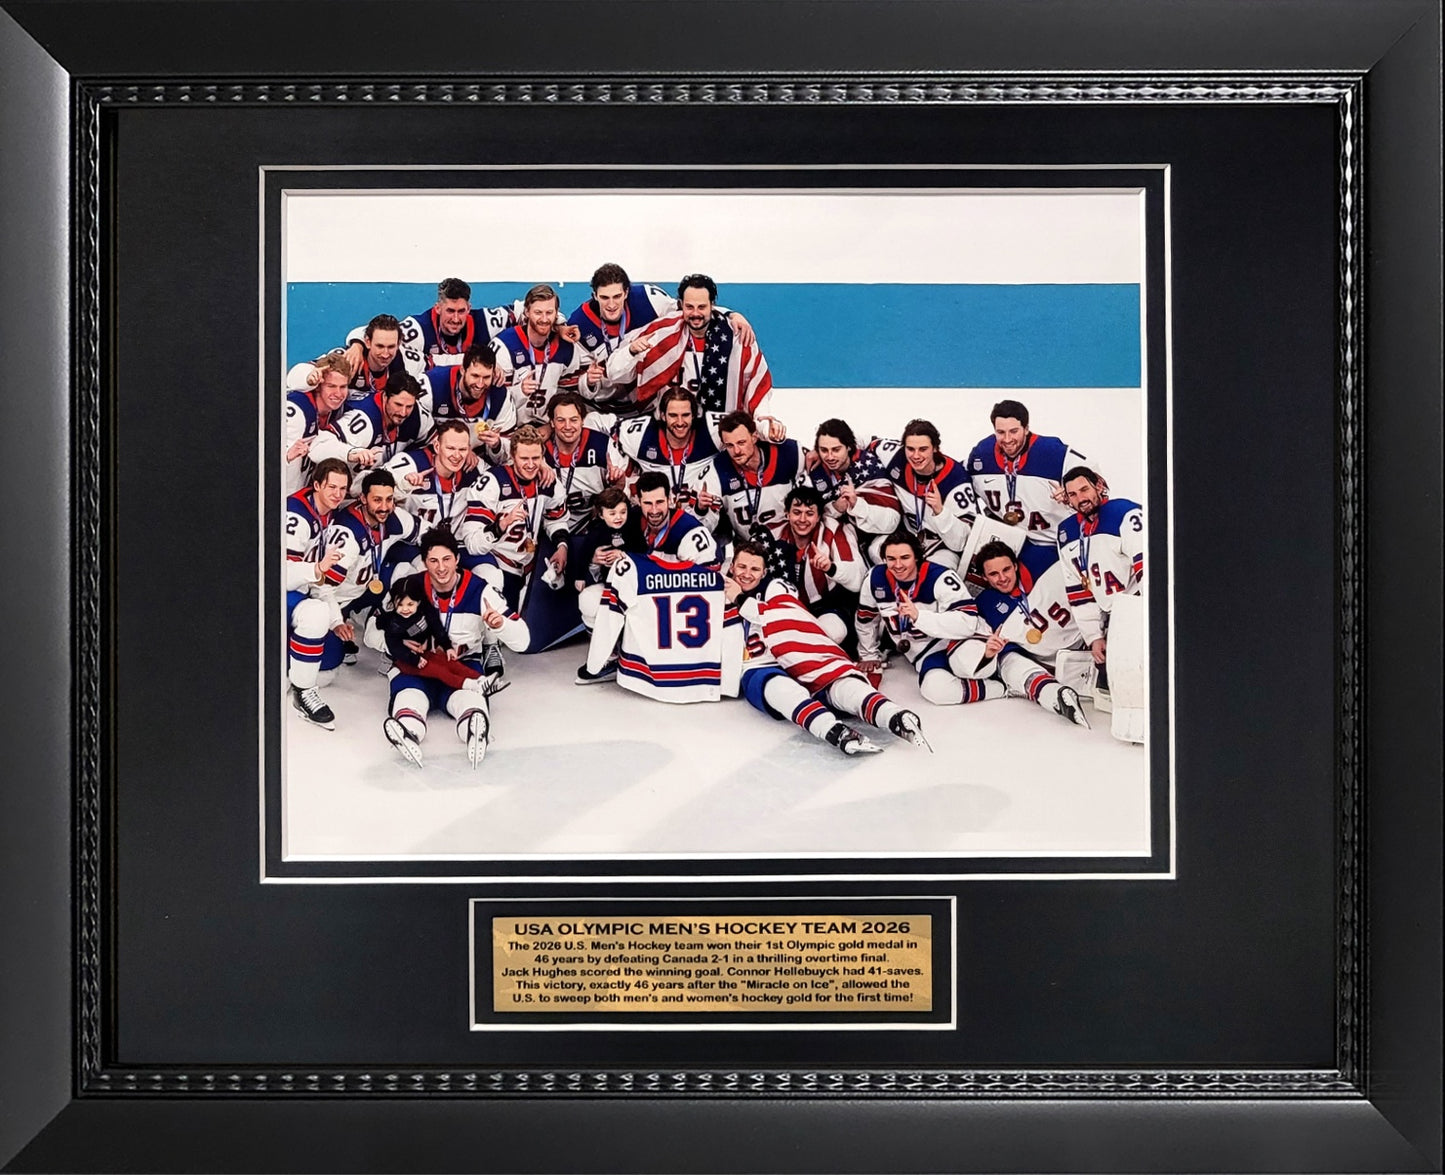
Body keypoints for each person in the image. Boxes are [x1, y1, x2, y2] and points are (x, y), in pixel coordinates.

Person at [724, 542, 929, 754]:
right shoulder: (715, 590)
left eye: (755, 569)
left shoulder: (776, 586)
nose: (747, 574)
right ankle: (831, 729)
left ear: (764, 571)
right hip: (757, 664)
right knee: (779, 688)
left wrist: (738, 598)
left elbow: (778, 613)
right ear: (732, 567)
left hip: (795, 654)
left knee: (840, 683)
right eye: (742, 567)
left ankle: (893, 715)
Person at [368, 529, 529, 768]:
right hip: (417, 666)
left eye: (446, 559)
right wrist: (395, 642)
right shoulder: (409, 587)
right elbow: (371, 630)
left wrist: (501, 624)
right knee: (408, 697)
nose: (441, 568)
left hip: (461, 663)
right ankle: (408, 730)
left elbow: (523, 641)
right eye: (433, 561)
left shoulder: (480, 590)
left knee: (469, 699)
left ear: (457, 559)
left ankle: (473, 729)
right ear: (424, 562)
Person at [569, 263, 755, 409]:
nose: (611, 304)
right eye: (604, 298)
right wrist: (589, 381)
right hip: (602, 406)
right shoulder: (579, 324)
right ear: (594, 295)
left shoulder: (649, 299)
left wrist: (730, 314)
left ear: (626, 292)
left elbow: (691, 309)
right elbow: (581, 386)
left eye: (617, 296)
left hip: (645, 402)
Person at [855, 530, 1007, 708]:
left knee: (966, 665)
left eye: (905, 558)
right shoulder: (875, 579)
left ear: (917, 557)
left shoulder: (940, 577)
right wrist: (868, 653)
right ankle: (1002, 688)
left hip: (959, 641)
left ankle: (1003, 671)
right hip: (926, 653)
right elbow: (866, 618)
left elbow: (968, 622)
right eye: (891, 559)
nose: (897, 565)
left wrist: (919, 617)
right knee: (935, 690)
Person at [614, 273, 779, 430]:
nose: (695, 313)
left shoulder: (737, 337)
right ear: (681, 305)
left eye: (702, 307)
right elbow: (615, 372)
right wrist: (630, 352)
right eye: (689, 307)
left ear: (712, 305)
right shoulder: (660, 332)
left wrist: (764, 424)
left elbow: (758, 385)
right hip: (671, 434)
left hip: (722, 436)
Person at [578, 550, 731, 699]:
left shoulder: (630, 569)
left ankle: (607, 660)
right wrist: (730, 683)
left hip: (644, 678)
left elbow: (610, 619)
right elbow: (733, 631)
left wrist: (593, 664)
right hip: (702, 679)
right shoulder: (720, 581)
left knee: (595, 603)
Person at [971, 540, 1091, 728]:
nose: (1002, 578)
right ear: (985, 578)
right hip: (1054, 664)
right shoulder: (984, 604)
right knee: (1006, 659)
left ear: (1016, 566)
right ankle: (1052, 694)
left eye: (1006, 569)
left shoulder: (1043, 559)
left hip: (1090, 639)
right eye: (993, 574)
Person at [458, 424, 569, 613]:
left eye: (536, 458)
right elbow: (473, 544)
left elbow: (556, 518)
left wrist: (562, 546)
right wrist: (501, 525)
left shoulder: (548, 481)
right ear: (512, 455)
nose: (531, 464)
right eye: (524, 458)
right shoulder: (492, 482)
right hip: (498, 562)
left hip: (528, 565)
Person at [318, 469, 423, 664]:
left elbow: (427, 534)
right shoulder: (347, 535)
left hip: (368, 587)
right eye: (377, 500)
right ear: (363, 499)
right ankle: (350, 620)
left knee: (418, 565)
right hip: (338, 599)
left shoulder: (393, 517)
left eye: (389, 499)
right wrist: (336, 622)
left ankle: (390, 641)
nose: (384, 507)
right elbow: (322, 588)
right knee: (329, 661)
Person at [1055, 465, 1144, 687]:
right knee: (1111, 685)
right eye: (1073, 494)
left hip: (1139, 607)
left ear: (1099, 486)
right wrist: (1094, 636)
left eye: (1084, 489)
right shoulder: (1066, 533)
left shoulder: (1124, 512)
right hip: (1112, 619)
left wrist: (1153, 615)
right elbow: (1078, 592)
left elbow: (1150, 566)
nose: (1080, 498)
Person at [966, 398, 1091, 552]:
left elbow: (1098, 487)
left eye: (1013, 431)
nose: (1007, 439)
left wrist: (1072, 494)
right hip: (1012, 542)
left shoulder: (1053, 453)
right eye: (1000, 432)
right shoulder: (982, 454)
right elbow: (958, 479)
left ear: (1026, 429)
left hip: (1056, 543)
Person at [284, 458, 353, 729]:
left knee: (332, 657)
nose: (337, 494)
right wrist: (317, 568)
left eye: (342, 488)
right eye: (331, 487)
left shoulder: (328, 514)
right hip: (266, 595)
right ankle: (303, 692)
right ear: (316, 485)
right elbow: (280, 575)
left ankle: (292, 673)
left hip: (296, 592)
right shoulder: (296, 515)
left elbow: (319, 580)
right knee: (315, 612)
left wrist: (336, 621)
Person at [758, 485, 865, 648]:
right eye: (796, 512)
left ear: (819, 516)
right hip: (785, 607)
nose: (802, 519)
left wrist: (831, 567)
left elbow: (858, 578)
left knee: (831, 633)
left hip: (828, 606)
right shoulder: (771, 534)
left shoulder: (833, 530)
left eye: (809, 513)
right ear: (786, 513)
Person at [344, 277, 515, 374]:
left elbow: (526, 309)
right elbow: (377, 333)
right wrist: (357, 346)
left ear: (469, 308)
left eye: (461, 311)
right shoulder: (418, 329)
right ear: (438, 308)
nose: (456, 318)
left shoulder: (485, 320)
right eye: (450, 311)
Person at [873, 419, 979, 571]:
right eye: (910, 449)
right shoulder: (894, 455)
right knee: (876, 550)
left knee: (936, 572)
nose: (915, 456)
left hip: (941, 546)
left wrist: (940, 511)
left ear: (935, 448)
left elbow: (961, 542)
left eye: (923, 449)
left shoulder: (956, 481)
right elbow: (864, 441)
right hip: (906, 538)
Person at [608, 386, 725, 512]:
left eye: (685, 415)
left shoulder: (713, 432)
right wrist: (622, 474)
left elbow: (742, 430)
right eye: (673, 415)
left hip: (700, 515)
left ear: (694, 415)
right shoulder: (642, 435)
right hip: (655, 514)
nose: (680, 422)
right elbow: (611, 431)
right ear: (663, 416)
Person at [696, 410, 809, 539]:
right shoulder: (716, 470)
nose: (736, 451)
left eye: (741, 443)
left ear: (754, 437)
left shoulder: (790, 453)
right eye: (729, 445)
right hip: (746, 550)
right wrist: (701, 509)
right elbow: (702, 527)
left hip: (788, 545)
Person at [490, 283, 584, 428]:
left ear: (557, 313)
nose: (544, 319)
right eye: (538, 312)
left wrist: (551, 426)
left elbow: (570, 395)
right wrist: (519, 390)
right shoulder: (504, 346)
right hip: (509, 429)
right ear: (527, 312)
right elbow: (490, 398)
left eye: (549, 313)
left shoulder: (566, 347)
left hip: (548, 428)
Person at [309, 373, 432, 479]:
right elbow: (317, 446)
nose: (403, 412)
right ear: (385, 397)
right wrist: (351, 453)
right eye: (398, 405)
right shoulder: (365, 421)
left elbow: (435, 445)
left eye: (409, 406)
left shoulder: (417, 416)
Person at [376, 573, 484, 691]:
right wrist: (414, 659)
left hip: (426, 653)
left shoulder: (425, 610)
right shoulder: (394, 624)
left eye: (410, 604)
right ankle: (472, 686)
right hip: (406, 661)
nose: (405, 609)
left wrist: (447, 647)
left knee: (450, 663)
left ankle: (482, 680)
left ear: (419, 602)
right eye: (400, 604)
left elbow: (436, 627)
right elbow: (395, 647)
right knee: (440, 671)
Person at [542, 391, 627, 536]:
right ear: (552, 422)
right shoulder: (540, 450)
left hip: (593, 524)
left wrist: (618, 483)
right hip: (550, 524)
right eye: (561, 420)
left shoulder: (602, 444)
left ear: (583, 420)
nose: (568, 426)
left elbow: (619, 494)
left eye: (574, 420)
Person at [806, 417, 902, 545]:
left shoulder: (869, 466)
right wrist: (835, 508)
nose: (829, 457)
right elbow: (807, 517)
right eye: (824, 450)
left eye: (836, 450)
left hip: (880, 538)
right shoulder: (814, 469)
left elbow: (892, 521)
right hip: (844, 536)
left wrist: (857, 505)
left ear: (849, 447)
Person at [420, 344, 514, 462]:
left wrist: (497, 445)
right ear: (462, 370)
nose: (480, 384)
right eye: (475, 376)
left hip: (474, 461)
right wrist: (459, 448)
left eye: (486, 377)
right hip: (433, 456)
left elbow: (509, 452)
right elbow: (415, 432)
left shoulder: (500, 395)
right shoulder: (431, 385)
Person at [569, 486, 645, 630]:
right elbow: (584, 553)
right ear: (602, 515)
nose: (618, 517)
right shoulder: (597, 531)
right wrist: (580, 577)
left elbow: (642, 551)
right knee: (591, 601)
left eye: (623, 512)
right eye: (612, 513)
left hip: (633, 583)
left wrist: (624, 555)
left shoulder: (632, 528)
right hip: (608, 580)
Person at [282, 354, 351, 494]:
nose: (338, 393)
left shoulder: (335, 411)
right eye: (331, 386)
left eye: (343, 386)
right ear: (318, 386)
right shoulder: (299, 410)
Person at [634, 471, 719, 565]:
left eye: (659, 502)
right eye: (648, 503)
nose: (654, 510)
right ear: (638, 501)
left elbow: (710, 575)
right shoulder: (631, 519)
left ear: (669, 498)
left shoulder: (689, 530)